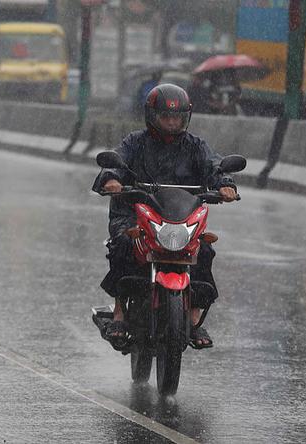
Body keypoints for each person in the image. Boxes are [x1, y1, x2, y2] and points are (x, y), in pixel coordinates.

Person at [92, 83, 237, 349]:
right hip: (135, 216)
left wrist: (225, 184)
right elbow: (116, 161)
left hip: (180, 219)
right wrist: (111, 179)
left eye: (177, 117)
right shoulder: (135, 143)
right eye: (166, 117)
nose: (172, 123)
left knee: (204, 250)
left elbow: (214, 165)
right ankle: (120, 312)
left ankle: (194, 317)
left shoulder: (195, 146)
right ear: (151, 116)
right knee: (124, 243)